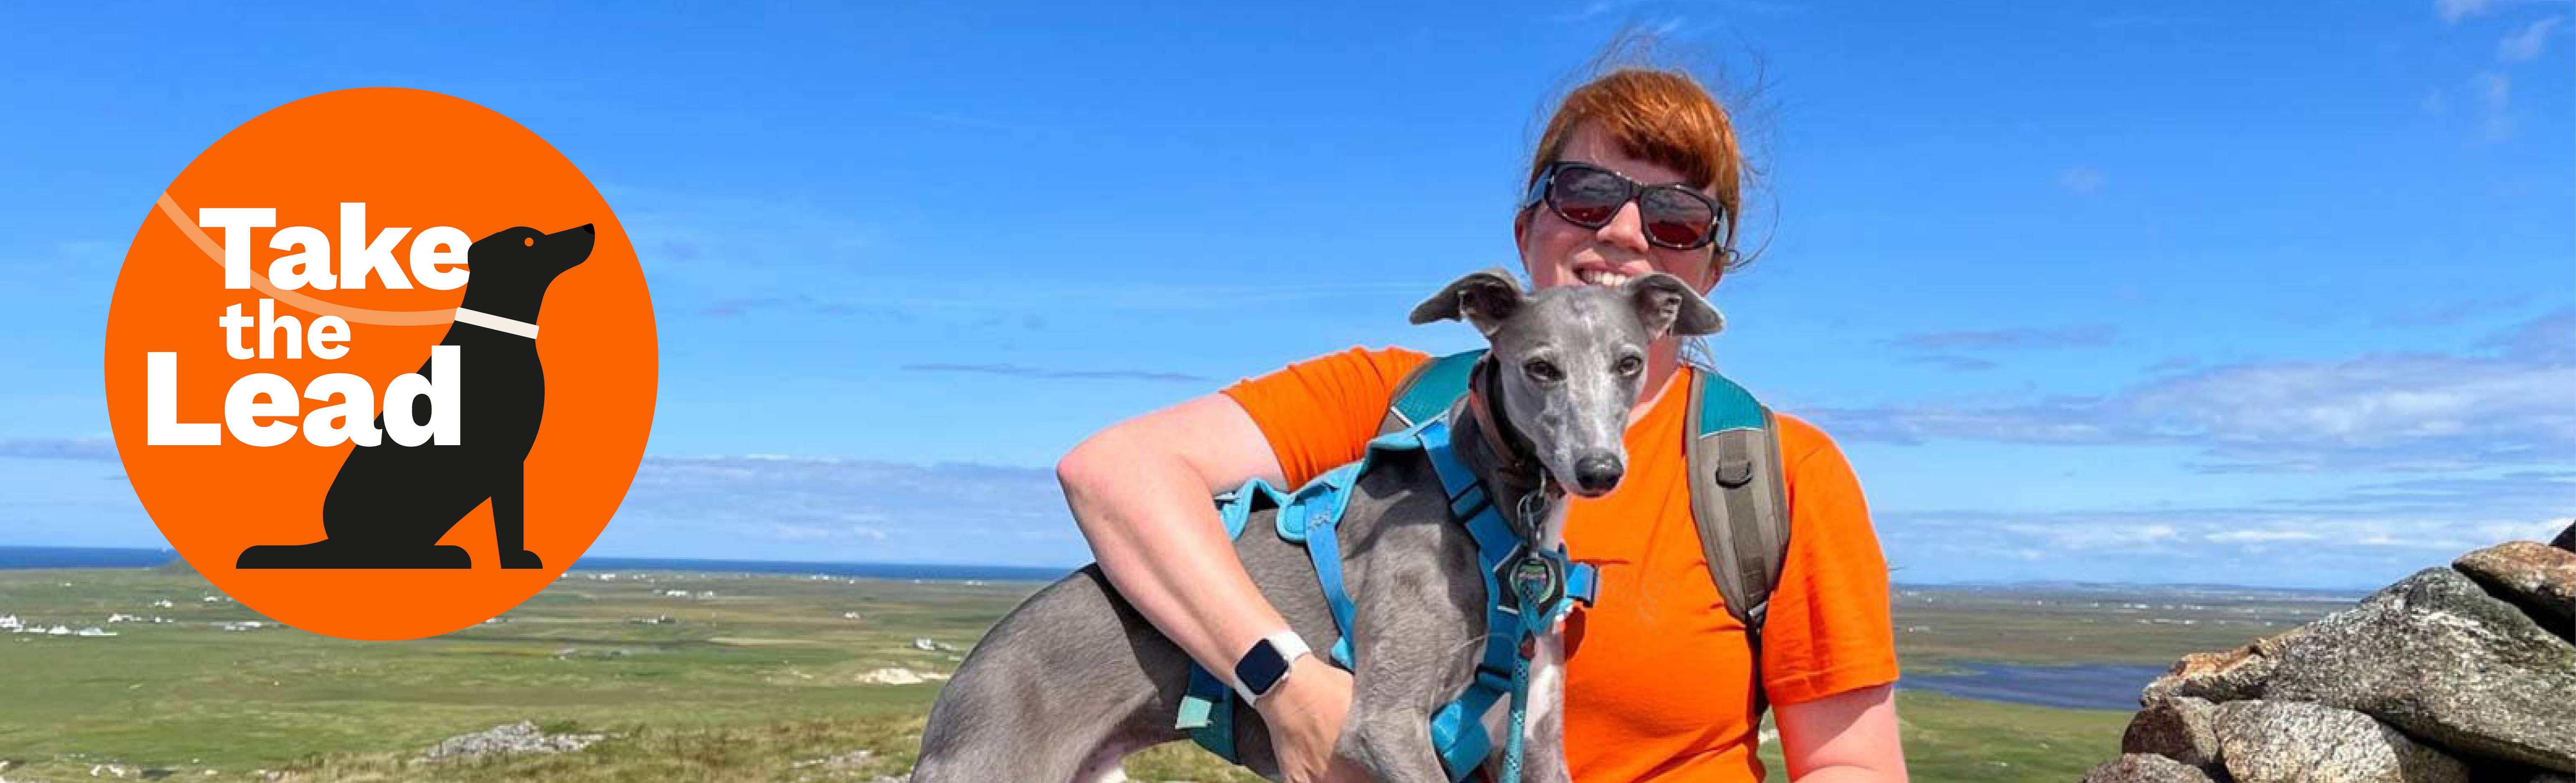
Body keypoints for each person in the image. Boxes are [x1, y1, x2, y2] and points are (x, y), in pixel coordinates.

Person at [1056, 51, 1908, 783]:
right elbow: (1117, 473)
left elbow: (1854, 762)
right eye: (1584, 194)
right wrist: (1287, 684)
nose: (1621, 231)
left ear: (1702, 279)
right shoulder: (1389, 404)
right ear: (1527, 230)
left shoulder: (1773, 473)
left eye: (1676, 216)